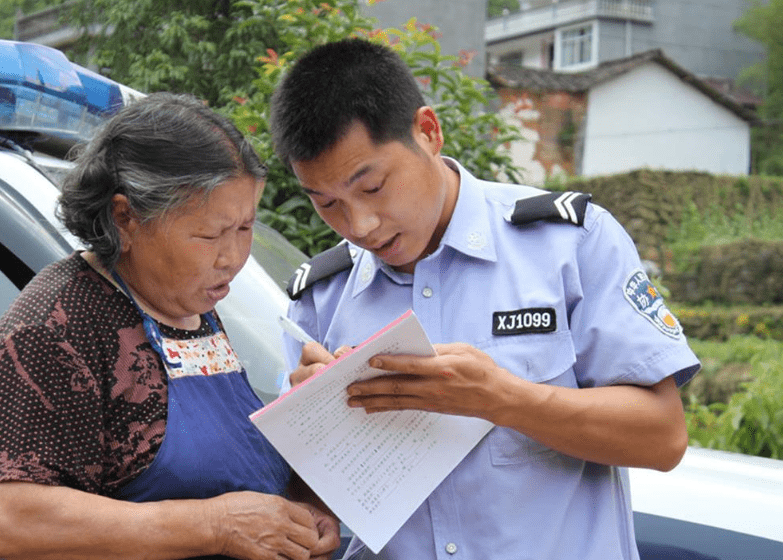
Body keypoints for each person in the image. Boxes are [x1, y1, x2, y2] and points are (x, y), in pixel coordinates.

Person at [270, 39, 700, 560]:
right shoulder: (322, 298)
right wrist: (319, 434)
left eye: (374, 187)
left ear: (427, 132)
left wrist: (504, 399)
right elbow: (313, 511)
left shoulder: (568, 243)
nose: (358, 225)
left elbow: (663, 438)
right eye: (327, 203)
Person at [0, 92, 339, 560]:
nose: (232, 258)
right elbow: (8, 518)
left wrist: (301, 507)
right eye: (208, 235)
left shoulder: (189, 304)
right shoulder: (53, 326)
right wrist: (214, 525)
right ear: (127, 218)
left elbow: (220, 466)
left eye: (244, 228)